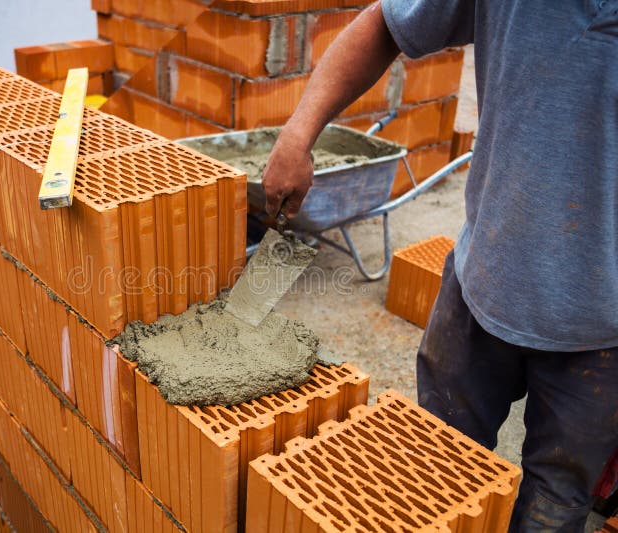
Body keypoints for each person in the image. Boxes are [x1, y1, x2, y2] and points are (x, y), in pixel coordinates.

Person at [262, 1, 618, 530]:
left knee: (554, 506)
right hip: (482, 279)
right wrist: (296, 134)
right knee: (434, 471)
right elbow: (385, 22)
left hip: (601, 330)